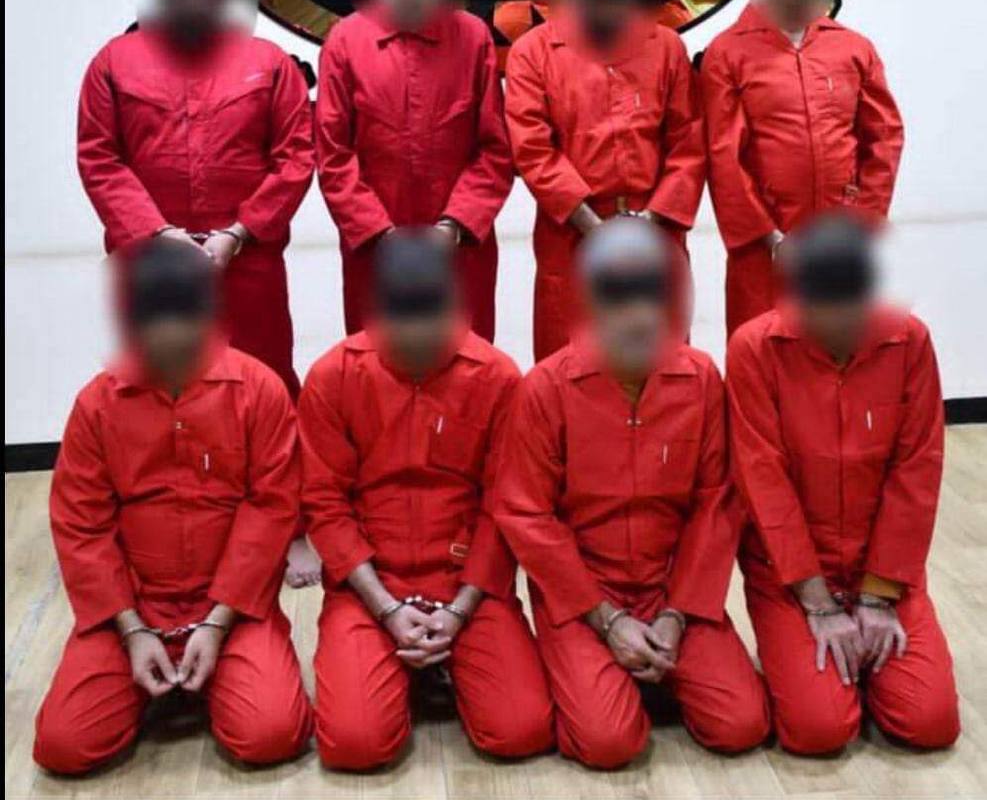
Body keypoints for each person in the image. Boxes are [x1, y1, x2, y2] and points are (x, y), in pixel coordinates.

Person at [77, 0, 319, 585]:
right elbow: (100, 158)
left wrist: (239, 232)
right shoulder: (114, 63)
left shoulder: (267, 64)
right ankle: (165, 532)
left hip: (244, 261)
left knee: (267, 387)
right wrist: (157, 233)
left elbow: (295, 157)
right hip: (150, 264)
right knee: (156, 392)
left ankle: (292, 527)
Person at [496, 218, 769, 768]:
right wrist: (607, 618)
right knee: (608, 743)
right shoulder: (545, 388)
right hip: (583, 596)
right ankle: (613, 678)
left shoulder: (701, 380)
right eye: (622, 303)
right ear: (592, 307)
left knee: (742, 725)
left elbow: (716, 504)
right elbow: (527, 514)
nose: (641, 319)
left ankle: (645, 672)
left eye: (653, 301)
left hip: (672, 591)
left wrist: (677, 613)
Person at [33, 239, 312, 775]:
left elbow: (271, 511)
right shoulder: (97, 405)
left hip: (233, 605)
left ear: (210, 317)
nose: (173, 357)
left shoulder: (259, 391)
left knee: (272, 734)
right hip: (133, 608)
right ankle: (160, 684)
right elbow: (81, 526)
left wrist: (217, 622)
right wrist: (132, 629)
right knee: (64, 746)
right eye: (156, 343)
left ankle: (210, 679)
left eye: (187, 340)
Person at [298, 230, 554, 770]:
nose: (417, 346)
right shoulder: (332, 378)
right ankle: (409, 670)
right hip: (370, 584)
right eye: (400, 331)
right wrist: (386, 607)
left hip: (467, 584)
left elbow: (504, 505)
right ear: (375, 314)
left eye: (433, 328)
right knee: (355, 743)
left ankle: (434, 666)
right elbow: (325, 504)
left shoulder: (498, 378)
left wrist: (460, 609)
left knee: (522, 730)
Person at [726, 215, 959, 754]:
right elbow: (764, 481)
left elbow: (916, 472)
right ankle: (831, 666)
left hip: (884, 571)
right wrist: (819, 604)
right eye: (821, 310)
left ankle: (868, 663)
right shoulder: (755, 348)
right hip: (792, 577)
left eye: (851, 309)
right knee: (819, 730)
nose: (839, 325)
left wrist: (878, 597)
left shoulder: (909, 341)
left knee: (930, 724)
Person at [505, 0, 705, 361]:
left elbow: (688, 143)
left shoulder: (666, 47)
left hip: (656, 232)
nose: (609, 9)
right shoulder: (533, 53)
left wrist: (651, 220)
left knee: (662, 362)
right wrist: (592, 226)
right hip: (571, 235)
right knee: (569, 364)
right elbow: (533, 149)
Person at [316, 0, 513, 341]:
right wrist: (377, 231)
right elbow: (333, 154)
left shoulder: (472, 37)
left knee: (467, 359)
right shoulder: (345, 41)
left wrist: (455, 224)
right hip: (375, 249)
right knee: (377, 360)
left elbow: (495, 149)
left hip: (459, 246)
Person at [699, 0, 904, 335]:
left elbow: (884, 137)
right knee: (762, 347)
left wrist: (861, 223)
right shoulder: (728, 54)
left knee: (841, 349)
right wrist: (768, 236)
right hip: (765, 250)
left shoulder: (853, 49)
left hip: (840, 241)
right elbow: (724, 154)